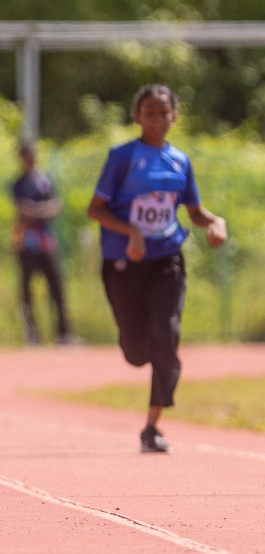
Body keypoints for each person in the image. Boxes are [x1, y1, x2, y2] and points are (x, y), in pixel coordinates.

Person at [86, 85, 226, 454]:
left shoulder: (180, 161)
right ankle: (141, 347)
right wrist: (131, 231)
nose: (157, 120)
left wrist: (215, 222)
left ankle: (152, 427)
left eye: (164, 113)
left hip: (167, 258)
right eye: (149, 112)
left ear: (174, 117)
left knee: (166, 335)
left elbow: (194, 212)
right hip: (125, 263)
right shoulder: (122, 157)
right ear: (137, 116)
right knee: (137, 352)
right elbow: (95, 209)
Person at [12, 142, 72, 345]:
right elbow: (22, 210)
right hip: (26, 244)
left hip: (46, 243)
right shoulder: (18, 184)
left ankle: (64, 333)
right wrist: (42, 211)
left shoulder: (45, 181)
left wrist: (36, 211)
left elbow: (56, 206)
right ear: (21, 158)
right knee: (27, 291)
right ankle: (32, 335)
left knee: (57, 288)